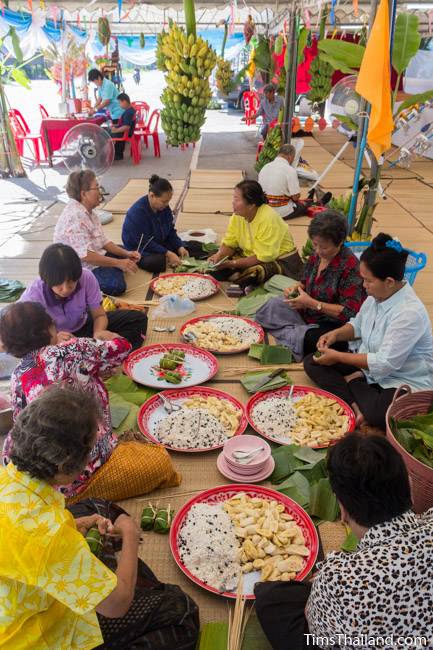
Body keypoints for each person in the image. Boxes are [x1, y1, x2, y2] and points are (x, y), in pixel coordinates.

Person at [0, 385, 199, 649]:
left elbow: (26, 535)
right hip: (38, 634)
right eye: (90, 452)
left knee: (94, 507)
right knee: (181, 610)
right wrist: (129, 534)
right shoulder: (50, 538)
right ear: (65, 463)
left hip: (23, 587)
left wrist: (76, 525)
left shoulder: (10, 475)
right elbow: (116, 605)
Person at [255, 433, 433, 650]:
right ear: (409, 484)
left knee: (270, 598)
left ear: (342, 510)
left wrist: (322, 588)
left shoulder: (340, 576)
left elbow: (316, 629)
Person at [0, 302, 180, 501]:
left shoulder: (17, 376)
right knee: (159, 463)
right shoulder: (71, 349)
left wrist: (92, 370)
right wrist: (106, 337)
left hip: (42, 476)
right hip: (80, 468)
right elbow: (122, 349)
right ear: (48, 329)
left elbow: (22, 423)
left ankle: (59, 501)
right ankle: (80, 499)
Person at [304, 233, 433, 430]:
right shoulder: (377, 295)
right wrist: (336, 335)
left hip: (402, 379)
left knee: (380, 415)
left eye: (368, 281)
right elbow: (358, 325)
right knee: (312, 361)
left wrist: (339, 356)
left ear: (389, 281)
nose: (364, 286)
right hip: (369, 370)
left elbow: (384, 363)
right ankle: (356, 405)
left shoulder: (409, 313)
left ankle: (354, 384)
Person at [255, 211, 365, 360]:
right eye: (315, 245)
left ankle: (293, 334)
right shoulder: (316, 256)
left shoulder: (351, 267)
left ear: (339, 243)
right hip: (306, 313)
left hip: (331, 325)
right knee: (271, 306)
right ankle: (293, 334)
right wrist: (294, 289)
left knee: (312, 339)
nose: (318, 251)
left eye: (324, 248)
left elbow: (349, 312)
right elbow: (304, 283)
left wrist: (312, 304)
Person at [20, 243, 147, 350]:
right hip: (58, 341)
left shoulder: (86, 277)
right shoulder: (33, 296)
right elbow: (20, 336)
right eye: (58, 284)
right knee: (39, 354)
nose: (65, 289)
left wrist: (98, 332)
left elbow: (99, 315)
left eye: (71, 282)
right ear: (46, 279)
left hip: (84, 326)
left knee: (138, 319)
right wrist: (52, 339)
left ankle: (105, 352)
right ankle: (99, 353)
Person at [54, 170, 141, 296]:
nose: (100, 191)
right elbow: (86, 256)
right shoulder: (75, 217)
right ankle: (109, 271)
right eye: (97, 187)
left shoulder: (89, 211)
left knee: (126, 252)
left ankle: (115, 267)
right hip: (79, 268)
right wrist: (118, 263)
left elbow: (102, 241)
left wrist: (126, 254)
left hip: (94, 255)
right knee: (117, 286)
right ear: (84, 194)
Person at [208, 180, 304, 285]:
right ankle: (237, 275)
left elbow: (263, 257)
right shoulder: (237, 216)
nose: (233, 202)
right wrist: (219, 255)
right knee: (213, 256)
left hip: (278, 261)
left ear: (251, 205)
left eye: (236, 199)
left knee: (257, 272)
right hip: (249, 256)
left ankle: (237, 275)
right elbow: (230, 243)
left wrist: (232, 263)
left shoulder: (268, 218)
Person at [122, 175, 202, 273]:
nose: (167, 204)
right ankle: (167, 256)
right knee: (157, 263)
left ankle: (173, 252)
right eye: (164, 201)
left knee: (192, 248)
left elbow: (170, 230)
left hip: (160, 242)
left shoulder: (164, 208)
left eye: (168, 201)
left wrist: (179, 246)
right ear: (152, 195)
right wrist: (167, 253)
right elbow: (144, 242)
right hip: (141, 249)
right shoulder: (137, 213)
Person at [258, 144, 302, 219]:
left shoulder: (265, 167)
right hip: (281, 212)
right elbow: (295, 197)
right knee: (303, 206)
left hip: (264, 210)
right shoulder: (289, 170)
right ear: (290, 156)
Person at [108, 92, 137, 161]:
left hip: (124, 133)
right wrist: (115, 125)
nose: (119, 105)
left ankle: (109, 155)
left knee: (103, 135)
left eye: (120, 103)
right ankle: (117, 154)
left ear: (124, 101)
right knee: (106, 130)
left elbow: (126, 127)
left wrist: (115, 130)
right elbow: (124, 124)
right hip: (124, 132)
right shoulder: (130, 110)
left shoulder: (128, 113)